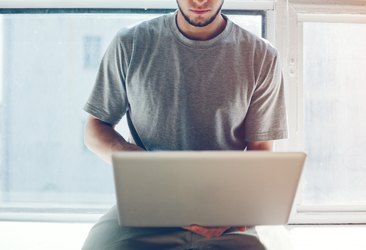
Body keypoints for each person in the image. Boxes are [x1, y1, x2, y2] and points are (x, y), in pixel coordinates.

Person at [82, 0, 288, 249]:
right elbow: (95, 129)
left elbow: (260, 152)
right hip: (150, 198)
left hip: (223, 203)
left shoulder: (261, 55)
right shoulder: (131, 42)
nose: (200, 1)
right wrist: (141, 164)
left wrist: (234, 207)